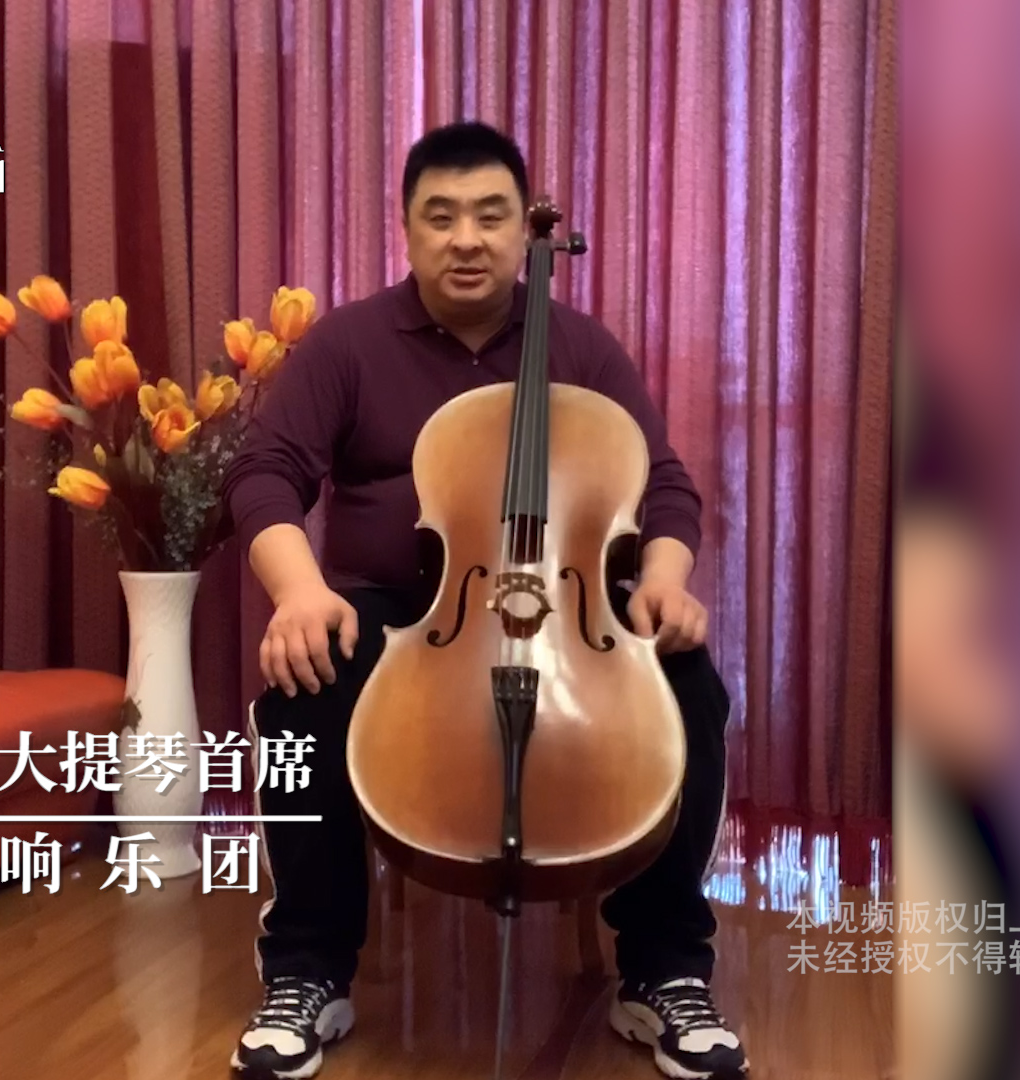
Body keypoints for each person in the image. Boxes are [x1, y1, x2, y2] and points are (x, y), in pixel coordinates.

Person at [221, 121, 748, 1080]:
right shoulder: (348, 343)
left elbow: (664, 484)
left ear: (521, 233)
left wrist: (665, 580)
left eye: (491, 215)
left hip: (572, 607)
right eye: (442, 216)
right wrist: (298, 592)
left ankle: (663, 970)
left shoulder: (580, 348)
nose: (466, 239)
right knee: (303, 688)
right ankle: (307, 969)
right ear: (407, 229)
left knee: (690, 688)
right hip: (402, 609)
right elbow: (266, 472)